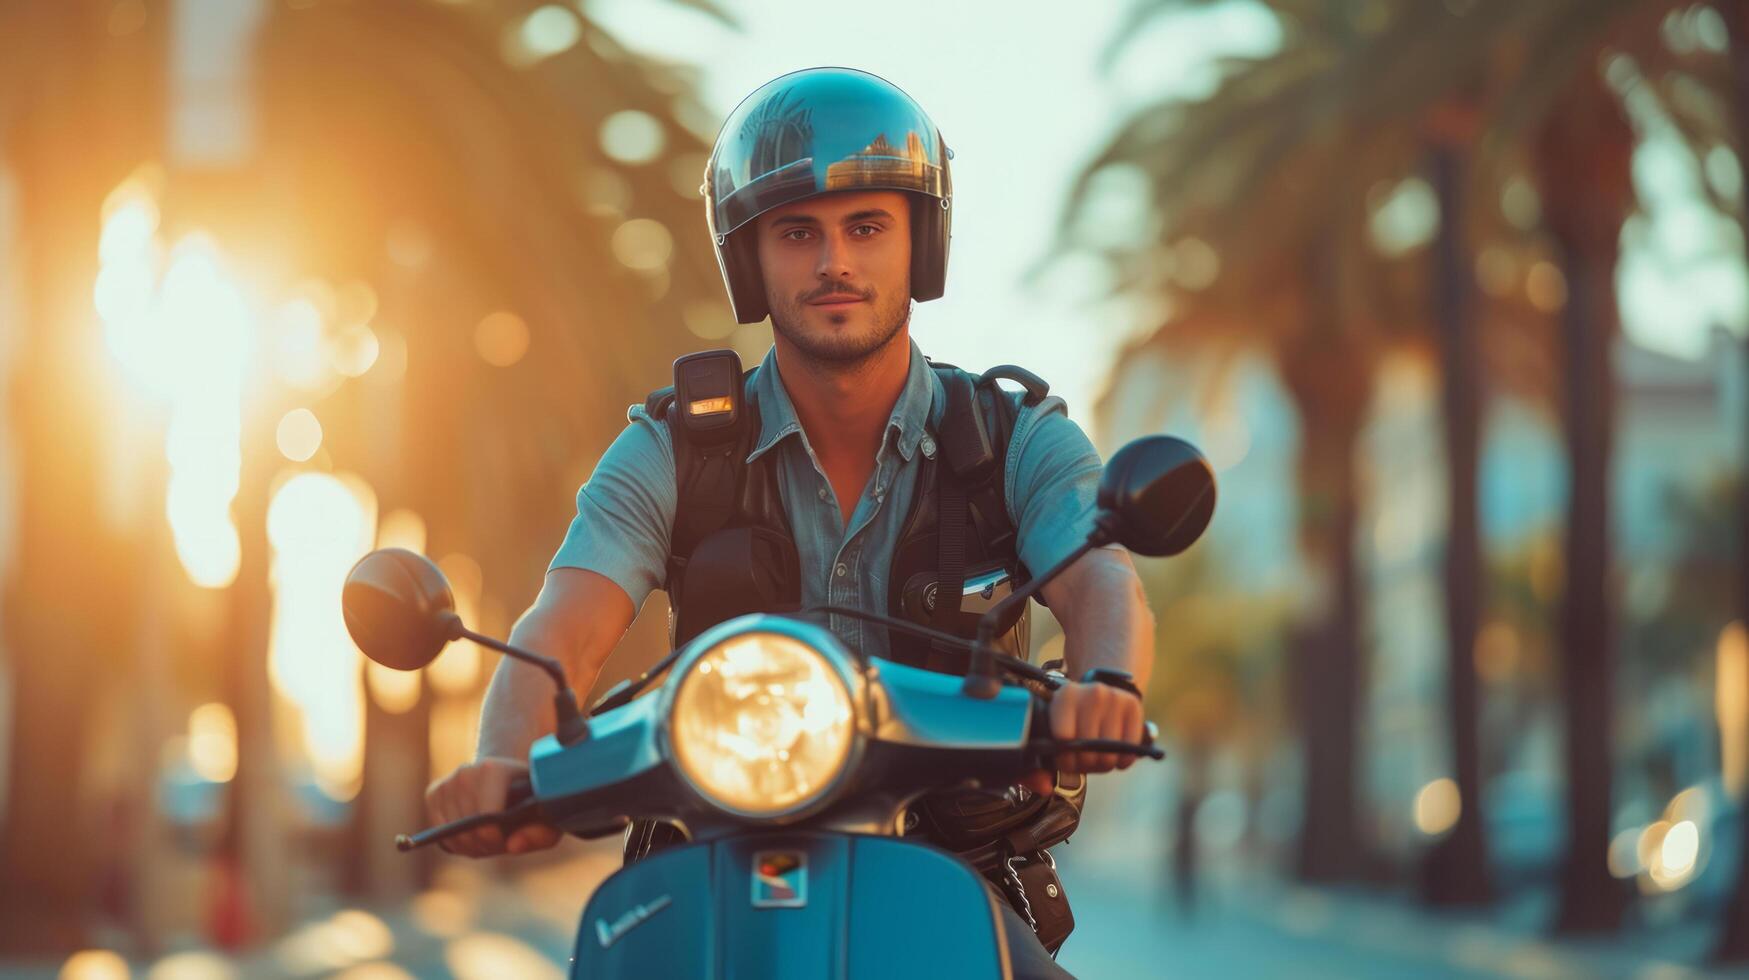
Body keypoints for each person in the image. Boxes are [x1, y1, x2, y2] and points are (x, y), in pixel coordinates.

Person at [423, 67, 1156, 977]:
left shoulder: (1012, 436)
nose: (833, 262)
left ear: (920, 245)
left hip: (949, 868)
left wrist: (1106, 685)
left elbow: (1100, 576)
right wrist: (504, 761)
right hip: (705, 865)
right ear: (748, 259)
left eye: (866, 228)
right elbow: (564, 626)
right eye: (796, 232)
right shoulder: (675, 449)